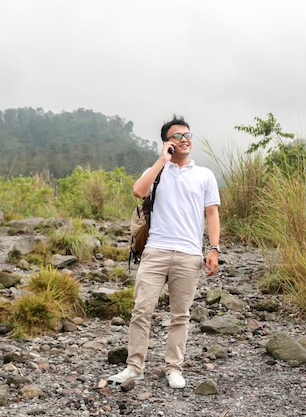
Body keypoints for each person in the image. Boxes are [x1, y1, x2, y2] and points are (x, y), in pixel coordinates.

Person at [108, 115, 221, 389]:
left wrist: (214, 249)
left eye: (187, 135)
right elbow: (138, 191)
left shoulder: (204, 175)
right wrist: (162, 160)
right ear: (167, 142)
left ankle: (174, 368)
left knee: (180, 315)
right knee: (141, 310)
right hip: (156, 251)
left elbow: (212, 213)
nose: (185, 139)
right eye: (177, 136)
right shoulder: (157, 171)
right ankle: (134, 367)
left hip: (189, 254)